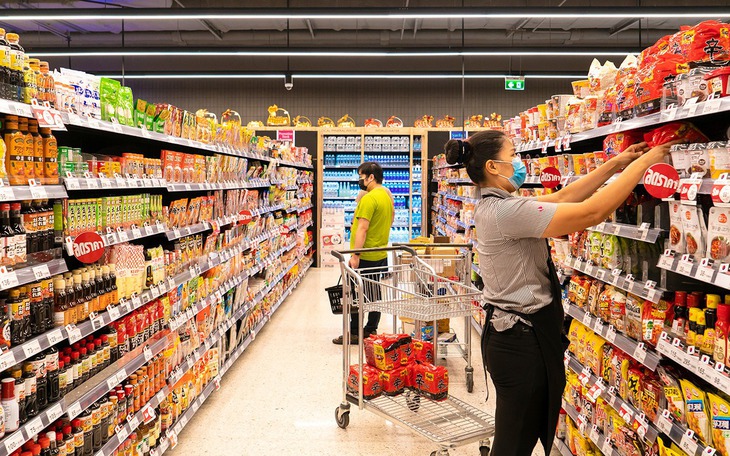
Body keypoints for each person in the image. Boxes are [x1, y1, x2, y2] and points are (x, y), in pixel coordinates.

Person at [443, 130, 678, 456]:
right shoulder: (505, 212)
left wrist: (618, 163)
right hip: (520, 343)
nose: (519, 162)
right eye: (513, 155)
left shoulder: (498, 205)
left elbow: (564, 197)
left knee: (517, 439)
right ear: (493, 167)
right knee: (512, 445)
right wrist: (646, 164)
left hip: (514, 337)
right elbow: (591, 213)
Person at [333, 162, 394, 345]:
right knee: (374, 293)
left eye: (361, 176)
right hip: (380, 253)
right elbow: (391, 218)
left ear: (371, 177)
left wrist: (355, 255)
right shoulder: (386, 195)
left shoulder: (369, 199)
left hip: (365, 255)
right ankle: (371, 328)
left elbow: (362, 228)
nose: (359, 180)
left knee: (355, 294)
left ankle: (354, 332)